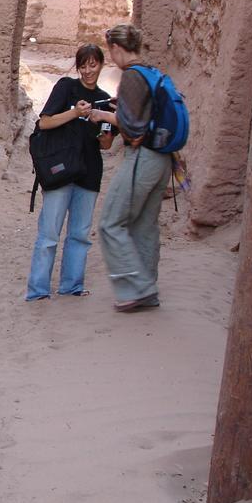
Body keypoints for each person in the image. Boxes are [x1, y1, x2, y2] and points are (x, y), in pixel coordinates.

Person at [89, 23, 172, 312]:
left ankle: (136, 289)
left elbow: (133, 129)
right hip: (164, 160)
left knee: (110, 222)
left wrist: (104, 114)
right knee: (145, 225)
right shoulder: (153, 72)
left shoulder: (132, 76)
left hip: (143, 157)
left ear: (115, 48)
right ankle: (148, 288)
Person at [25, 43, 115, 301]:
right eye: (83, 65)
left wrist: (105, 122)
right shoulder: (66, 87)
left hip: (88, 174)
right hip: (60, 171)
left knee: (79, 235)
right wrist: (75, 112)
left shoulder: (105, 99)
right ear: (78, 67)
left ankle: (71, 286)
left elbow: (106, 144)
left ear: (100, 65)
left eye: (93, 65)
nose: (88, 71)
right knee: (49, 234)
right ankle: (38, 290)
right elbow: (45, 121)